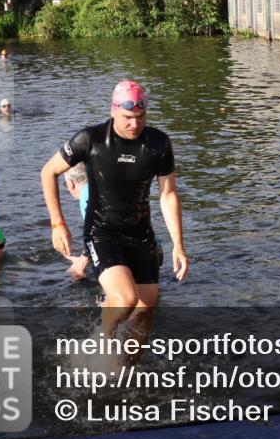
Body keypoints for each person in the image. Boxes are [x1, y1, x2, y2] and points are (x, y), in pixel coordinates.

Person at [40, 80, 188, 352]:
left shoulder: (158, 143)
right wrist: (57, 223)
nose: (135, 124)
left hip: (141, 236)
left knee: (143, 316)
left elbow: (167, 195)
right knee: (124, 298)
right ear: (113, 112)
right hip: (102, 232)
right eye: (128, 118)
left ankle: (123, 374)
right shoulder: (91, 139)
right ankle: (95, 351)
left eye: (141, 117)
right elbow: (48, 171)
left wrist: (178, 245)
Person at [62, 163, 92, 280]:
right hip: (146, 245)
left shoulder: (86, 197)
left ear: (71, 183)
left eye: (66, 184)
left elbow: (97, 231)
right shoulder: (98, 188)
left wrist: (82, 263)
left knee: (69, 277)